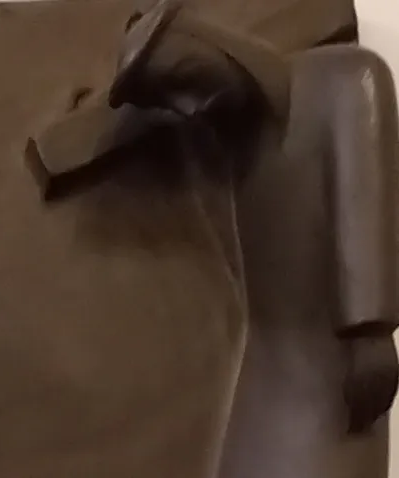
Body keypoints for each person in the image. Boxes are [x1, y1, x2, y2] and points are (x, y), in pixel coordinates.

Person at [32, 1, 398, 477]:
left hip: (327, 366)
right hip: (261, 370)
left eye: (188, 81)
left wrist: (370, 332)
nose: (190, 106)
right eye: (174, 98)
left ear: (218, 49)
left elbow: (363, 201)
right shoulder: (237, 140)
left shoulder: (348, 79)